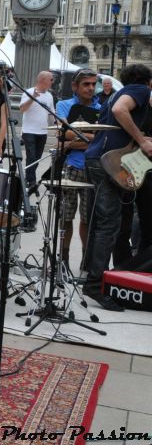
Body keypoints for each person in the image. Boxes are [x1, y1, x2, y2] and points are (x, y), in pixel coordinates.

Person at [81, 63, 152, 311]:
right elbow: (123, 111)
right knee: (108, 225)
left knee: (102, 222)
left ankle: (92, 275)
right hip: (108, 162)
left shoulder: (118, 94)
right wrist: (143, 141)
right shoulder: (139, 91)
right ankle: (94, 283)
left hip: (97, 158)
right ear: (148, 81)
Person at [54, 69, 100, 265]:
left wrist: (73, 141)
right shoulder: (64, 105)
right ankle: (62, 258)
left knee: (87, 218)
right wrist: (90, 138)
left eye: (93, 84)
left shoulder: (101, 107)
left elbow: (102, 138)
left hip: (93, 167)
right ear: (75, 86)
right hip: (71, 166)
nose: (90, 88)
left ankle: (86, 259)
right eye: (86, 84)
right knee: (65, 216)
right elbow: (65, 133)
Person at [20, 70, 55, 194]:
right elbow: (22, 109)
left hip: (43, 132)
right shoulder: (29, 92)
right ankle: (32, 182)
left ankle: (28, 178)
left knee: (37, 158)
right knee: (32, 156)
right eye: (51, 80)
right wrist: (33, 97)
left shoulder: (50, 96)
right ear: (43, 80)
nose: (52, 82)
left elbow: (51, 114)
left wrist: (57, 126)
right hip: (29, 131)